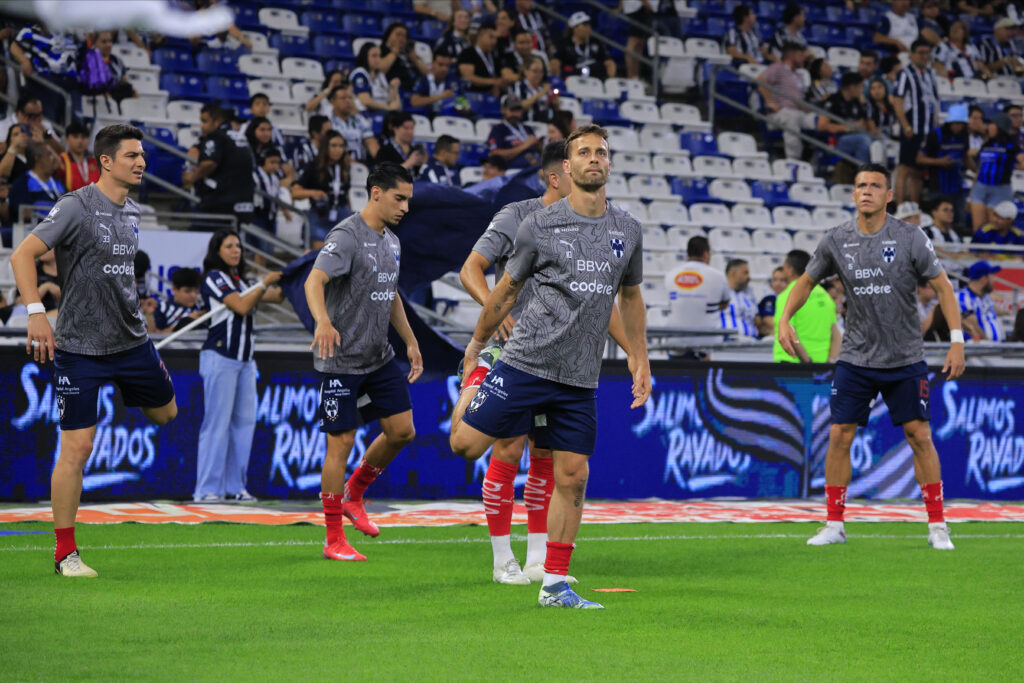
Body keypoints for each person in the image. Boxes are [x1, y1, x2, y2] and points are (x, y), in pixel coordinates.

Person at [449, 125, 650, 609]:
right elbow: (507, 291)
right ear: (567, 166)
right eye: (584, 151)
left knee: (573, 476)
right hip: (525, 361)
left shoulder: (627, 229)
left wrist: (639, 357)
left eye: (602, 151)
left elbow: (629, 296)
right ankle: (475, 385)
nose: (594, 158)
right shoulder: (536, 224)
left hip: (580, 377)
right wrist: (477, 346)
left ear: (609, 162)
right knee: (464, 445)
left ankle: (554, 584)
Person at [9, 124, 179, 577]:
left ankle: (130, 389)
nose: (141, 162)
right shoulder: (76, 206)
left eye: (142, 155)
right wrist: (36, 312)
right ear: (106, 161)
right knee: (77, 448)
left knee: (167, 415)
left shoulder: (134, 211)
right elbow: (22, 255)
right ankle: (66, 553)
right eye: (131, 156)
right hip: (80, 348)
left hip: (132, 342)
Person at [778, 162, 965, 550]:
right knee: (839, 435)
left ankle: (937, 525)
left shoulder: (910, 237)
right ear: (853, 194)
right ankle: (834, 523)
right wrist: (785, 319)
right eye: (860, 185)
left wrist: (958, 340)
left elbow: (944, 288)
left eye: (875, 186)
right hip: (856, 357)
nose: (866, 191)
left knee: (920, 436)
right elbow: (806, 281)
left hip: (904, 356)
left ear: (888, 195)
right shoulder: (836, 239)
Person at [305, 162, 422, 562]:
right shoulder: (347, 235)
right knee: (340, 442)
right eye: (399, 198)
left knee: (402, 431)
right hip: (340, 361)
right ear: (376, 192)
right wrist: (322, 320)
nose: (405, 207)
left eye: (408, 199)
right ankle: (333, 537)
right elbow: (313, 281)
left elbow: (390, 295)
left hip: (379, 357)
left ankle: (356, 493)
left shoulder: (392, 242)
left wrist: (410, 340)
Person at [194, 230, 283, 502]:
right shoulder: (214, 278)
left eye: (239, 246)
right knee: (217, 425)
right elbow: (241, 306)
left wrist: (296, 272)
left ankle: (235, 488)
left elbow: (276, 297)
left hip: (245, 362)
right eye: (229, 245)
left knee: (243, 426)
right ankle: (207, 490)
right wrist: (265, 282)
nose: (236, 250)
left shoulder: (242, 281)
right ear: (217, 251)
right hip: (221, 358)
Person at [758, 42, 844, 160]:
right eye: (801, 55)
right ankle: (793, 159)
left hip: (800, 112)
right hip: (779, 114)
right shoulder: (777, 67)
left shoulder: (799, 75)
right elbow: (761, 81)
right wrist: (769, 101)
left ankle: (821, 157)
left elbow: (800, 100)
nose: (804, 58)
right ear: (792, 55)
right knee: (791, 117)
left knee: (820, 120)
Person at [182, 103, 254, 221]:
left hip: (220, 203)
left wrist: (191, 177)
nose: (202, 126)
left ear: (217, 121)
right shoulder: (239, 137)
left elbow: (209, 164)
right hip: (244, 201)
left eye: (205, 121)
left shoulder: (216, 137)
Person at [663, 236, 731, 356]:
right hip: (708, 344)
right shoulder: (718, 276)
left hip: (676, 341)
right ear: (706, 254)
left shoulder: (671, 275)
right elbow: (725, 304)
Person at [891, 39, 940, 206]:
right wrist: (905, 124)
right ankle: (899, 206)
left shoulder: (930, 75)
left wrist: (936, 124)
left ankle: (914, 205)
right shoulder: (905, 74)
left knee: (919, 170)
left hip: (928, 128)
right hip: (913, 126)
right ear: (911, 54)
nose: (924, 57)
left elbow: (934, 101)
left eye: (927, 53)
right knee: (905, 167)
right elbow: (897, 100)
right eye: (921, 53)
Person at [773, 249, 840, 363]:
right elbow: (836, 335)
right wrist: (830, 361)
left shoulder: (787, 295)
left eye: (785, 266)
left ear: (790, 270)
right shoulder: (825, 296)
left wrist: (807, 362)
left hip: (791, 363)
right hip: (821, 367)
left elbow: (788, 332)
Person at [292, 130, 351, 246]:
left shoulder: (345, 167)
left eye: (341, 146)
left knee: (342, 258)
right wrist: (313, 192)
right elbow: (295, 193)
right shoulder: (313, 166)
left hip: (342, 215)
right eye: (334, 145)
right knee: (320, 258)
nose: (338, 149)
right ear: (325, 147)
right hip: (321, 214)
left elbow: (346, 195)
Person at [967, 112, 1024, 230]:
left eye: (992, 124)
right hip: (980, 188)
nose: (989, 127)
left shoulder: (1010, 146)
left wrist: (1013, 166)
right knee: (978, 230)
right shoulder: (986, 144)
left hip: (1000, 189)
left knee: (993, 228)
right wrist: (970, 195)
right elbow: (980, 169)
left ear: (1000, 126)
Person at [918, 103, 971, 224]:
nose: (958, 127)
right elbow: (920, 158)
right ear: (949, 123)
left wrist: (978, 171)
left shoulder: (964, 135)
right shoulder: (935, 134)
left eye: (961, 124)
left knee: (959, 220)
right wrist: (940, 162)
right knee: (937, 222)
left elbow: (965, 156)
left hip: (956, 185)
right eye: (956, 124)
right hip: (938, 186)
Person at [8, 140, 65, 226]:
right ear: (37, 158)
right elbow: (25, 213)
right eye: (49, 155)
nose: (53, 158)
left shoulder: (58, 183)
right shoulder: (22, 183)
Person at [823, 72, 873, 164]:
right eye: (861, 87)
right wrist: (848, 127)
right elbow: (821, 125)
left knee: (878, 140)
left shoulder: (857, 102)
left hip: (856, 136)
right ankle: (863, 175)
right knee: (863, 141)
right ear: (852, 87)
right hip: (836, 140)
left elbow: (863, 124)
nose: (862, 90)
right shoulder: (833, 100)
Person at [551, 13, 615, 80]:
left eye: (589, 25)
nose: (589, 28)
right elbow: (555, 62)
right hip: (574, 78)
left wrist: (609, 80)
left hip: (596, 78)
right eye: (585, 25)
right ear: (575, 28)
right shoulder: (564, 43)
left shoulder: (595, 42)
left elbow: (608, 61)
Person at [327, 85, 379, 164]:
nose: (348, 101)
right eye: (343, 98)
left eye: (350, 98)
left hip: (361, 163)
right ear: (333, 102)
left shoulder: (360, 120)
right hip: (337, 163)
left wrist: (380, 161)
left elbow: (370, 141)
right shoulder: (328, 121)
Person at [487, 94, 542, 168]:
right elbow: (495, 155)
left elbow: (537, 149)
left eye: (518, 110)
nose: (515, 114)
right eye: (512, 110)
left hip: (535, 161)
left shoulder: (527, 128)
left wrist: (539, 146)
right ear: (503, 110)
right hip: (514, 167)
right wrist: (524, 146)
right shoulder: (498, 129)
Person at [956, 260, 1004, 341]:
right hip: (980, 350)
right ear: (983, 279)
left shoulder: (985, 296)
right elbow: (972, 327)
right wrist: (990, 346)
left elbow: (992, 310)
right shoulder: (963, 297)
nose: (994, 280)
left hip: (996, 349)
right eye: (992, 276)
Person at [457, 20, 508, 94]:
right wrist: (493, 82)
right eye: (491, 37)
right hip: (473, 95)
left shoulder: (493, 55)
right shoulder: (467, 53)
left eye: (496, 38)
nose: (495, 41)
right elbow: (468, 77)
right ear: (480, 36)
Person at [148, 267, 203, 333]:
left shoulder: (202, 308)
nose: (193, 295)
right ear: (174, 289)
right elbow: (158, 335)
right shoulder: (163, 308)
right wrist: (185, 322)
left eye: (196, 291)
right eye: (188, 291)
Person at [351, 42, 402, 112]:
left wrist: (394, 88)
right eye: (374, 56)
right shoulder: (360, 73)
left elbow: (393, 103)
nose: (378, 59)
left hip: (384, 112)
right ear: (365, 56)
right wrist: (388, 108)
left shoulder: (381, 75)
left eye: (379, 56)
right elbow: (366, 101)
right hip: (368, 113)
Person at [379, 21, 428, 92]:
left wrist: (415, 60)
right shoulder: (381, 50)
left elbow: (429, 75)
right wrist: (394, 53)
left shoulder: (409, 53)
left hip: (419, 89)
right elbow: (380, 71)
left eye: (404, 36)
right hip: (398, 90)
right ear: (388, 35)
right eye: (398, 35)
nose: (401, 39)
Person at [509, 56, 555, 123]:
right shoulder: (517, 86)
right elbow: (518, 107)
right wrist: (540, 94)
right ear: (525, 71)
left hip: (545, 125)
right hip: (526, 124)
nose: (539, 75)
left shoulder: (542, 87)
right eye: (535, 71)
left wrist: (554, 102)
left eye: (541, 71)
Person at [720, 258, 757, 337]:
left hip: (752, 343)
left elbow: (756, 320)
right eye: (745, 273)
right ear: (733, 273)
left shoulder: (749, 295)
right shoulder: (719, 293)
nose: (749, 277)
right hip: (727, 344)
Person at [58, 120, 100, 190]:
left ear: (88, 140)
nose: (80, 141)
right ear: (67, 139)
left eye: (83, 137)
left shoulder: (95, 163)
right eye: (75, 137)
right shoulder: (62, 161)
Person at [755, 266, 787, 337]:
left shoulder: (792, 299)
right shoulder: (769, 299)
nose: (777, 283)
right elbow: (767, 320)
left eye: (782, 280)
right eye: (774, 280)